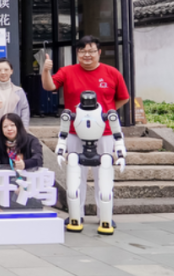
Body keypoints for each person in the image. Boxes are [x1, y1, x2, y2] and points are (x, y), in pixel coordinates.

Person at [42, 35, 129, 233]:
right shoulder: (67, 71)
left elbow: (123, 98)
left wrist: (103, 116)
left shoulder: (112, 73)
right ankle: (76, 213)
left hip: (105, 133)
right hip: (75, 131)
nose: (87, 55)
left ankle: (104, 215)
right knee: (76, 174)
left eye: (91, 51)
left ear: (99, 52)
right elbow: (49, 86)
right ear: (77, 53)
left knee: (103, 175)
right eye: (82, 51)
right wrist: (46, 70)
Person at [0, 57, 31, 146]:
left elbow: (25, 115)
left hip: (14, 137)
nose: (3, 72)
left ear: (11, 71)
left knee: (14, 155)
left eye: (6, 69)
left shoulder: (19, 91)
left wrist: (23, 133)